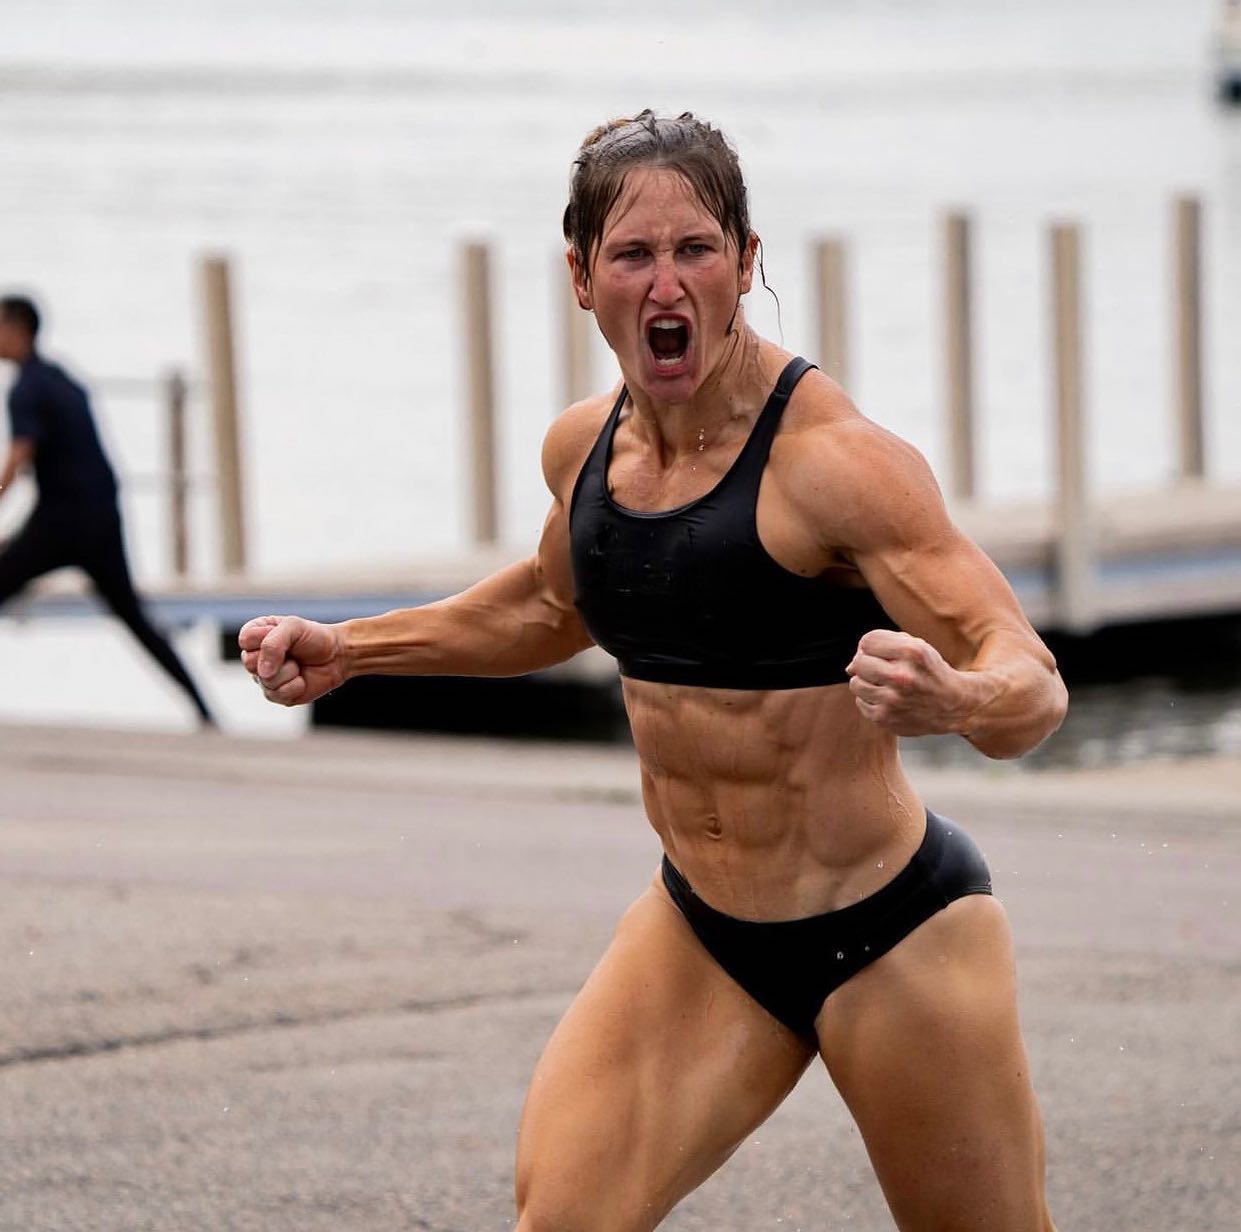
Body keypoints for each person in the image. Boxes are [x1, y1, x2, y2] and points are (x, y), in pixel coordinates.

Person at [240, 111, 1067, 1230]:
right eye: (632, 253)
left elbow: (1030, 684)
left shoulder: (835, 465)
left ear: (746, 262)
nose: (665, 283)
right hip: (702, 930)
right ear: (582, 277)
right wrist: (352, 650)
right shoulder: (583, 450)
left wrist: (958, 698)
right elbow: (546, 606)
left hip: (890, 930)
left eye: (695, 250)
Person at [0, 294, 215, 726]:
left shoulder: (26, 389)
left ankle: (204, 709)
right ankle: (204, 710)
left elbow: (20, 455)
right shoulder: (63, 379)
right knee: (134, 617)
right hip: (100, 517)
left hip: (60, 522)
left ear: (18, 328)